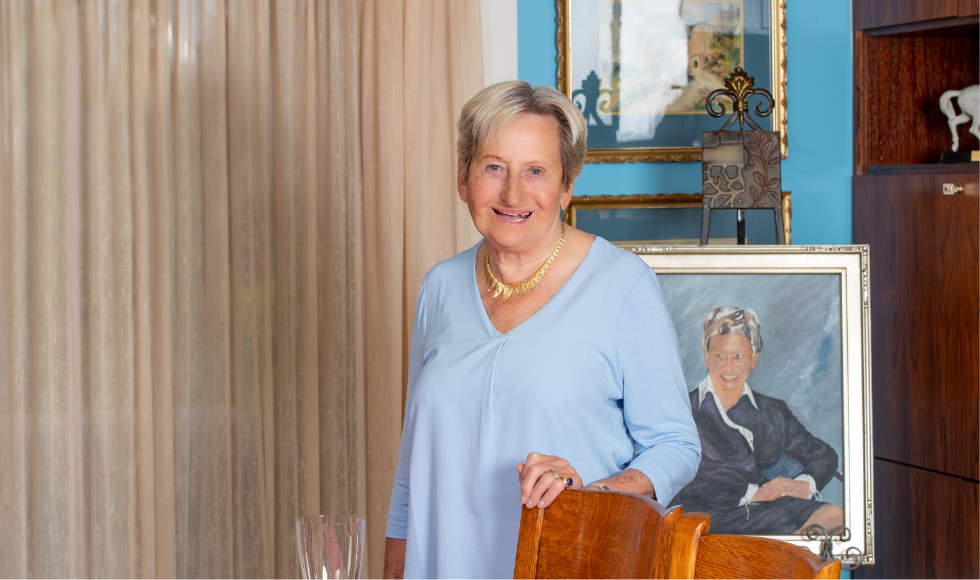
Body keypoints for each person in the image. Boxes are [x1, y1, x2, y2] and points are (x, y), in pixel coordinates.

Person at [383, 81, 701, 579]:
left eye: (536, 171)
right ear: (463, 180)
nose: (513, 193)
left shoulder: (624, 285)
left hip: (570, 566)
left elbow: (677, 446)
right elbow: (411, 472)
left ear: (567, 185)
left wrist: (592, 495)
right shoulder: (439, 287)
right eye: (493, 167)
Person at [669, 306, 844, 535]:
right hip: (703, 519)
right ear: (706, 358)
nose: (728, 366)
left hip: (766, 513)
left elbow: (824, 455)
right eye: (719, 356)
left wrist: (802, 484)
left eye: (738, 356)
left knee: (834, 517)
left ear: (753, 359)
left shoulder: (773, 411)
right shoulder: (684, 410)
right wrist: (758, 493)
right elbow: (684, 478)